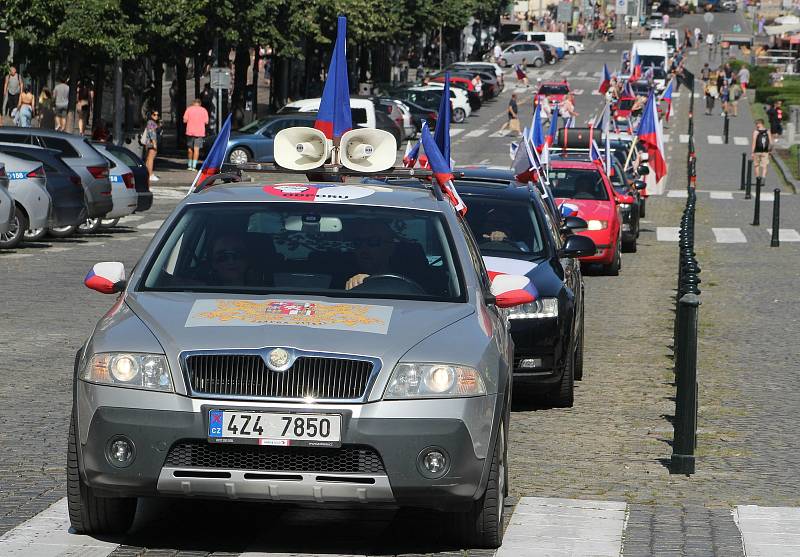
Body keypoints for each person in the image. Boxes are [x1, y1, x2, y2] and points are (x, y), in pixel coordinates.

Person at [183, 99, 209, 170]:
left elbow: (184, 120)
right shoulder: (204, 110)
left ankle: (189, 164)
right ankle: (194, 166)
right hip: (200, 133)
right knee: (196, 149)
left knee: (190, 149)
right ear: (200, 104)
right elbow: (206, 122)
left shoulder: (189, 109)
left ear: (193, 103)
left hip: (190, 132)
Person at [751, 119, 772, 189]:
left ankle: (758, 179)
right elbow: (771, 142)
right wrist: (769, 151)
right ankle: (763, 179)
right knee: (764, 166)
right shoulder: (768, 131)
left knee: (756, 165)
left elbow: (754, 142)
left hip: (757, 151)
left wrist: (752, 152)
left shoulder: (756, 132)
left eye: (757, 124)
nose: (756, 125)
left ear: (760, 124)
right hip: (765, 151)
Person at [143, 110, 161, 182]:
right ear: (151, 115)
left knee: (148, 159)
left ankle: (148, 174)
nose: (156, 116)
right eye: (154, 114)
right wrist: (154, 143)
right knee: (150, 159)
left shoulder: (152, 122)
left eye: (157, 115)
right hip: (151, 143)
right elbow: (152, 134)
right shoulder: (151, 122)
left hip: (150, 143)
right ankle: (150, 174)